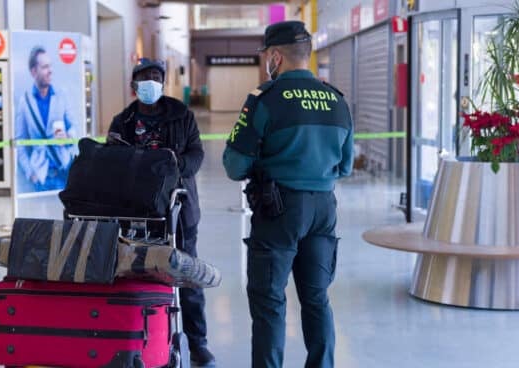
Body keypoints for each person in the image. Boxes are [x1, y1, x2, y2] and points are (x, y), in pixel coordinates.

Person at [222, 21, 354, 368]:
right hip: (324, 209)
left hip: (278, 209)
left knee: (268, 301)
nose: (266, 60)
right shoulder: (337, 101)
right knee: (316, 297)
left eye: (266, 54)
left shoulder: (265, 99)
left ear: (276, 56)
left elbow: (235, 166)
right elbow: (345, 166)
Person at [107, 58, 215, 367]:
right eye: (144, 77)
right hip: (136, 209)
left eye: (155, 76)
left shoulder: (182, 115)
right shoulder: (123, 121)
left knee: (187, 275)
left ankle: (198, 343)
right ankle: (138, 337)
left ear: (163, 81)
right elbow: (111, 158)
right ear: (133, 85)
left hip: (178, 208)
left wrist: (171, 168)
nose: (150, 81)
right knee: (135, 273)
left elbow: (196, 155)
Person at [15, 46, 77, 192]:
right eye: (45, 67)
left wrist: (68, 136)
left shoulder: (61, 95)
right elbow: (19, 141)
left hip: (64, 170)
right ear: (33, 71)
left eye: (50, 66)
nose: (50, 71)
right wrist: (30, 173)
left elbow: (74, 126)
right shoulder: (25, 102)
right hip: (41, 178)